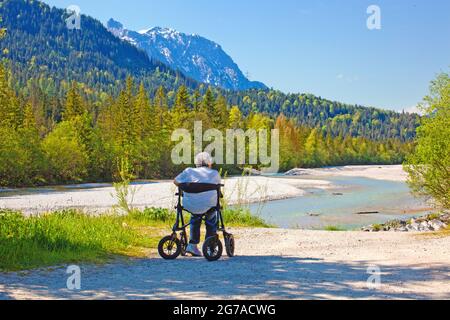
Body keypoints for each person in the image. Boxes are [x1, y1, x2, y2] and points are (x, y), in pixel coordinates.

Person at [174, 152, 221, 257]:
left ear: (196, 162)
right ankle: (210, 245)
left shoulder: (189, 171)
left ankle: (192, 245)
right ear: (209, 163)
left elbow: (175, 181)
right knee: (211, 217)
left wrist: (187, 187)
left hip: (190, 205)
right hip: (209, 205)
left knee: (195, 215)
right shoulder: (214, 173)